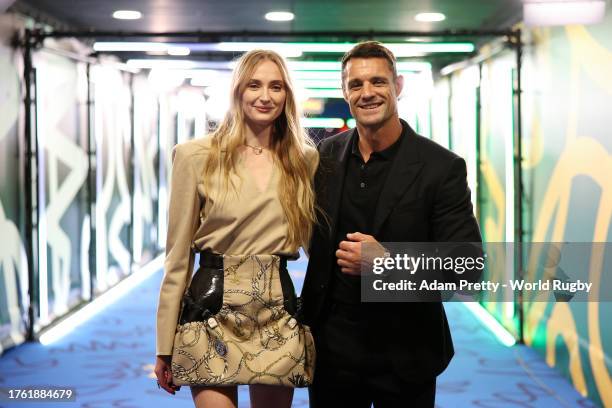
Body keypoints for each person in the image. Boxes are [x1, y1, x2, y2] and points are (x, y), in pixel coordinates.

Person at [302, 41, 482, 407]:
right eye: (356, 85)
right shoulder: (325, 157)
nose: (367, 93)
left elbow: (467, 267)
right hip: (331, 354)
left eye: (378, 82)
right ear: (344, 92)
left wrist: (384, 265)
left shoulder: (441, 167)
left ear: (398, 86)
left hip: (405, 352)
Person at [155, 49, 318, 408]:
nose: (265, 96)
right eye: (254, 85)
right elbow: (177, 258)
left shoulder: (303, 159)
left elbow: (315, 247)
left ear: (287, 95)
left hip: (277, 312)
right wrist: (164, 345)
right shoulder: (195, 155)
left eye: (276, 86)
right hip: (210, 309)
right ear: (237, 91)